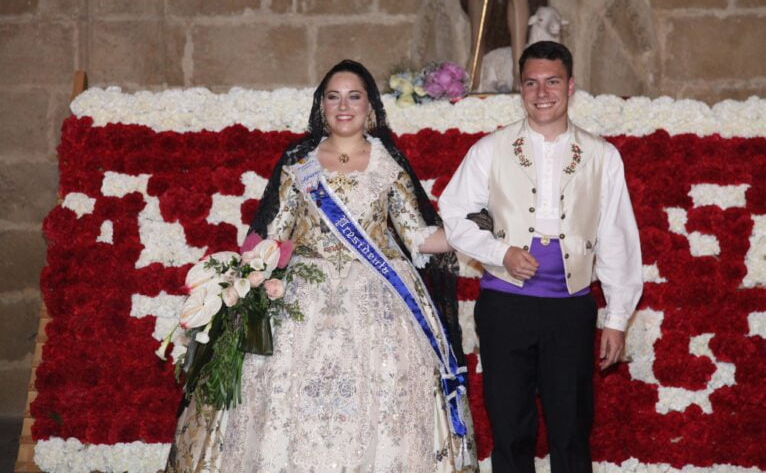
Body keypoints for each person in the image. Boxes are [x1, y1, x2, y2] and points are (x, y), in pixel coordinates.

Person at [166, 60, 477, 472]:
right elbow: (271, 238)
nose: (343, 106)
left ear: (370, 106)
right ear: (321, 106)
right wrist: (243, 279)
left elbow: (418, 236)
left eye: (354, 96)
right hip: (302, 298)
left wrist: (475, 231)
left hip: (381, 301)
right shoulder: (300, 163)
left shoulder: (388, 164)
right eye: (334, 97)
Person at [438, 41, 643, 473]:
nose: (541, 92)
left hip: (571, 308)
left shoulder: (602, 156)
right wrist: (501, 252)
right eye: (531, 83)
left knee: (571, 429)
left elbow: (616, 237)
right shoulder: (489, 149)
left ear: (570, 87)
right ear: (520, 88)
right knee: (510, 429)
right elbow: (454, 216)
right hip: (505, 305)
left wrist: (617, 318)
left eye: (552, 81)